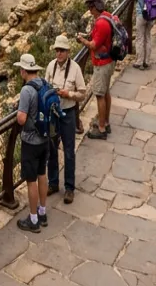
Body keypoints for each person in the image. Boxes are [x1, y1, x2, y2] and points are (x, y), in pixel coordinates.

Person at [10, 53, 49, 234]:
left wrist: (19, 113)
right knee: (42, 174)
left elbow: (21, 118)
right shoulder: (43, 83)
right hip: (45, 138)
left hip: (31, 141)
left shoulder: (26, 90)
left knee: (31, 180)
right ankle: (42, 212)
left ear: (24, 70)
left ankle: (33, 219)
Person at [45, 36, 85, 204]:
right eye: (57, 50)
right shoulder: (51, 66)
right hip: (53, 113)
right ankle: (53, 183)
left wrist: (68, 94)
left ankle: (69, 188)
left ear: (68, 52)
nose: (59, 53)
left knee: (69, 151)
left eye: (62, 50)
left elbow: (82, 94)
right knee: (52, 148)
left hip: (68, 113)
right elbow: (45, 87)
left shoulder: (75, 69)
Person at [76, 0, 114, 140]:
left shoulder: (101, 23)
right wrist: (87, 35)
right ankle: (106, 122)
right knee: (105, 92)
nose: (90, 10)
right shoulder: (107, 16)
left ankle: (102, 128)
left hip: (102, 64)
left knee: (99, 94)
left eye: (91, 7)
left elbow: (93, 45)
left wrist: (82, 40)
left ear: (96, 7)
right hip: (109, 61)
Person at [125, 0, 154, 70]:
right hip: (151, 13)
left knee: (139, 38)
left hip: (141, 15)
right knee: (147, 37)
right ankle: (147, 61)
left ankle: (139, 61)